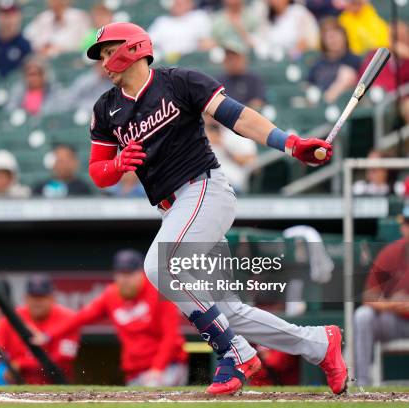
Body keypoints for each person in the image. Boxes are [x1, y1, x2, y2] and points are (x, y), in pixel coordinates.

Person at [85, 22, 345, 395]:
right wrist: (118, 164)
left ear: (133, 49)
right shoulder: (106, 108)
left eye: (110, 52)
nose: (105, 62)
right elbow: (98, 172)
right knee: (230, 311)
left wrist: (290, 143)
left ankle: (235, 352)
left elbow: (238, 117)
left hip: (204, 190)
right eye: (103, 55)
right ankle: (320, 343)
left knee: (160, 265)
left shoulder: (179, 82)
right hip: (173, 209)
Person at [33, 250, 188, 386]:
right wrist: (48, 334)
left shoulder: (159, 290)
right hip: (135, 372)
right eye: (121, 274)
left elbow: (171, 336)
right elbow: (80, 318)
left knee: (154, 390)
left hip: (169, 367)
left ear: (141, 273)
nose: (125, 279)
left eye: (130, 274)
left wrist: (157, 368)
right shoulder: (111, 295)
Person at [354, 205, 409, 386]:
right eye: (407, 223)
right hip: (396, 320)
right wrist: (392, 304)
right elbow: (369, 296)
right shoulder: (391, 252)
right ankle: (362, 384)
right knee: (363, 315)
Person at [0, 275, 79, 384]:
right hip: (20, 388)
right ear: (25, 298)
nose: (37, 302)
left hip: (57, 388)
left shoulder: (68, 318)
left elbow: (63, 360)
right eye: (33, 296)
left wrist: (21, 364)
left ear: (52, 298)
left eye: (42, 297)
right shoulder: (12, 319)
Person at [307, 18, 362, 104]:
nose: (333, 40)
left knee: (347, 74)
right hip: (317, 102)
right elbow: (308, 84)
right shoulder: (318, 63)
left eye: (336, 35)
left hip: (344, 102)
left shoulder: (353, 60)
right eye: (329, 37)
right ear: (323, 40)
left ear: (344, 36)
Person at [0, 0, 31, 79]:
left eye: (11, 14)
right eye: (4, 14)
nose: (7, 19)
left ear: (18, 16)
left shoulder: (25, 45)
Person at [205, 117, 256, 193]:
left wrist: (222, 146)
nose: (210, 118)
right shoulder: (199, 134)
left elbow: (252, 163)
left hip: (232, 184)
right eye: (207, 114)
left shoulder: (238, 135)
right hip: (205, 184)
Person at [148, 0, 213, 59]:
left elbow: (207, 43)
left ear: (190, 4)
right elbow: (148, 43)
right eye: (176, 3)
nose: (178, 4)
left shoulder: (198, 17)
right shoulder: (161, 21)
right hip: (166, 63)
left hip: (192, 61)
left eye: (181, 3)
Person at [24, 0, 91, 57]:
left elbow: (82, 42)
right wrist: (41, 47)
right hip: (44, 57)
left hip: (68, 57)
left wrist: (57, 47)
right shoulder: (43, 17)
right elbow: (28, 36)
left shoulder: (79, 17)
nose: (56, 2)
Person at [217, 41, 266, 110]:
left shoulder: (253, 79)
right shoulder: (219, 80)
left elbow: (258, 103)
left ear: (244, 59)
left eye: (235, 58)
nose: (232, 62)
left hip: (248, 118)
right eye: (229, 58)